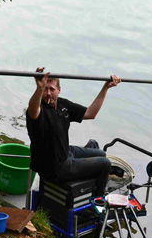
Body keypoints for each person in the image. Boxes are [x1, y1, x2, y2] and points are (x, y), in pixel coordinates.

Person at [26, 67, 121, 196]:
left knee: (101, 153)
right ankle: (97, 202)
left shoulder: (63, 104)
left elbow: (90, 113)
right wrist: (39, 88)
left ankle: (91, 184)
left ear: (59, 90)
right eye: (45, 89)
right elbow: (33, 108)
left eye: (52, 89)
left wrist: (105, 88)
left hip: (66, 152)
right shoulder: (39, 110)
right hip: (55, 168)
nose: (48, 93)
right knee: (105, 164)